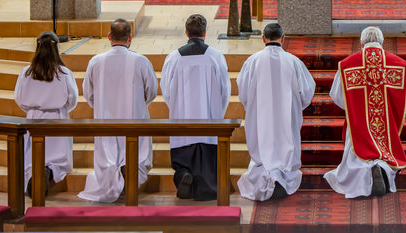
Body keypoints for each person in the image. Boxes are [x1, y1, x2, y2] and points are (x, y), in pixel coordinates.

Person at [324, 26, 406, 198]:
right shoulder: (399, 64)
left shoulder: (347, 64)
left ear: (361, 42)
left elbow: (336, 95)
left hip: (359, 121)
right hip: (385, 122)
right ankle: (381, 167)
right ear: (382, 42)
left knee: (356, 154)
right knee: (386, 151)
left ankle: (367, 171)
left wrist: (354, 106)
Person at [78, 18, 158, 202]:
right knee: (137, 152)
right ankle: (129, 174)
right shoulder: (141, 61)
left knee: (108, 154)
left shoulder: (96, 62)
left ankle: (113, 178)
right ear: (130, 37)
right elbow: (152, 91)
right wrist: (139, 105)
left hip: (106, 120)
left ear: (109, 36)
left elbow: (88, 93)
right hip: (134, 119)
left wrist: (102, 107)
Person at [237, 23, 315, 201]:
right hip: (286, 117)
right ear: (283, 38)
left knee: (262, 149)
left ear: (263, 38)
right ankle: (282, 178)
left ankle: (265, 176)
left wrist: (254, 106)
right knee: (286, 146)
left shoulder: (252, 61)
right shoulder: (294, 61)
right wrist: (295, 107)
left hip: (260, 116)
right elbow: (307, 91)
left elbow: (243, 92)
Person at [161, 14, 231, 200]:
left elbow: (166, 90)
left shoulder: (174, 58)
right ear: (205, 32)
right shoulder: (215, 56)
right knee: (208, 154)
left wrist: (176, 108)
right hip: (209, 119)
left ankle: (184, 175)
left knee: (183, 154)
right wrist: (218, 113)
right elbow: (225, 89)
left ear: (186, 32)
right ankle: (205, 186)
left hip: (182, 120)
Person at [14, 31, 78, 196]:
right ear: (56, 49)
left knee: (34, 155)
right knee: (57, 159)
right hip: (57, 119)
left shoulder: (26, 72)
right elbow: (72, 99)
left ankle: (35, 175)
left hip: (34, 119)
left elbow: (19, 98)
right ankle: (47, 173)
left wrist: (32, 110)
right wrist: (61, 109)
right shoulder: (64, 73)